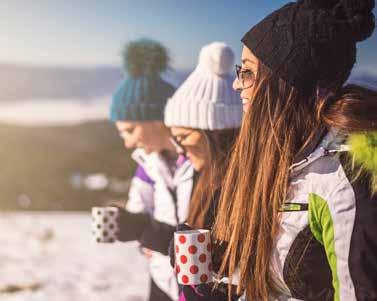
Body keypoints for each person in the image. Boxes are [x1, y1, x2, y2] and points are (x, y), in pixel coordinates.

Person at [211, 1, 377, 300]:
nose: (236, 84)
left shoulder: (344, 182)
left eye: (247, 72)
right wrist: (221, 258)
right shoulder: (291, 159)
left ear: (285, 84)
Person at [110, 38, 195, 301]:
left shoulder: (201, 163)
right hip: (162, 280)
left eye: (130, 130)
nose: (128, 142)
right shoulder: (149, 165)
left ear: (157, 119)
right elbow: (141, 212)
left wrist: (161, 238)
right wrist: (130, 225)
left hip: (198, 285)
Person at [164, 42, 242, 300]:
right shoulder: (206, 177)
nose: (179, 149)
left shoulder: (245, 188)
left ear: (213, 132)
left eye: (183, 136)